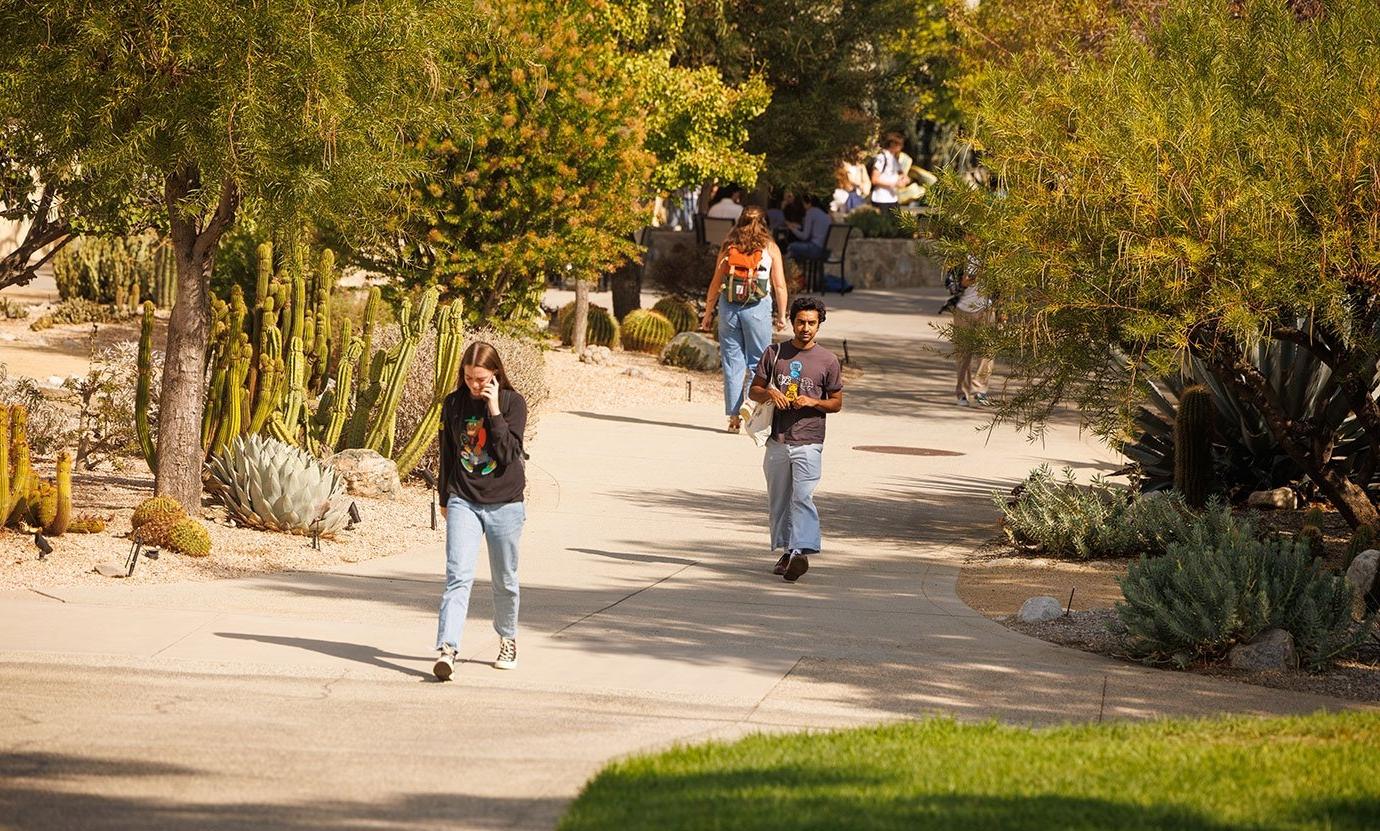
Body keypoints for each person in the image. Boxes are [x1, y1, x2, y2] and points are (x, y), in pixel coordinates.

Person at [433, 342, 529, 681]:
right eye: (469, 378)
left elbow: (507, 454)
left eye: (481, 378)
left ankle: (507, 638)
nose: (474, 385)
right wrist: (445, 497)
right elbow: (446, 453)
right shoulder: (454, 404)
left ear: (495, 375)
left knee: (505, 579)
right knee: (457, 575)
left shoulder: (512, 403)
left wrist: (493, 408)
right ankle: (447, 649)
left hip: (506, 503)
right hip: (464, 499)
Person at [748, 296, 844, 582]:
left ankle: (800, 551)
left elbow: (836, 402)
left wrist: (813, 402)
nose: (805, 328)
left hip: (809, 440)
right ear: (792, 321)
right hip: (777, 439)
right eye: (800, 322)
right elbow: (755, 390)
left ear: (819, 324)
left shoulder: (828, 360)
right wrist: (771, 393)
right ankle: (788, 552)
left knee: (803, 497)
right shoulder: (775, 352)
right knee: (779, 500)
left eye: (811, 323)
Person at [700, 206, 789, 433]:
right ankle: (749, 404)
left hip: (729, 307)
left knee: (732, 363)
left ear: (740, 221)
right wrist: (781, 315)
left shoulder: (729, 246)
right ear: (764, 223)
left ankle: (733, 417)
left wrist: (708, 313)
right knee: (758, 361)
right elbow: (779, 285)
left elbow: (714, 282)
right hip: (757, 308)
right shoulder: (770, 247)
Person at [952, 251, 995, 407]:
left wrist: (1003, 310)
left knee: (988, 349)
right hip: (963, 310)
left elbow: (1002, 286)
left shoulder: (992, 255)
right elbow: (950, 286)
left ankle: (980, 390)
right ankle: (962, 392)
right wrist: (962, 284)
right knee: (963, 353)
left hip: (986, 309)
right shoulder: (958, 258)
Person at [785, 194, 831, 263]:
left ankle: (789, 269)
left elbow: (805, 236)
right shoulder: (825, 215)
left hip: (816, 249)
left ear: (809, 203)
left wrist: (792, 229)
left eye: (803, 204)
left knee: (791, 246)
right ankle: (799, 270)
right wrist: (799, 227)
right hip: (826, 251)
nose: (803, 206)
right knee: (795, 252)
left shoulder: (810, 212)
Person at [869, 132, 907, 211]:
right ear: (892, 144)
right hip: (881, 199)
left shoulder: (894, 158)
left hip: (893, 199)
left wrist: (904, 179)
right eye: (900, 144)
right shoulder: (882, 158)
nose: (901, 147)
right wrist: (894, 184)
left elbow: (902, 174)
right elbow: (874, 179)